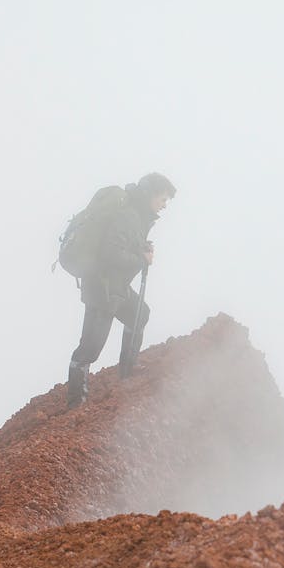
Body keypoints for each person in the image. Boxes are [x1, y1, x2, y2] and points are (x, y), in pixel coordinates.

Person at [66, 172, 176, 408]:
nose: (165, 205)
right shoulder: (129, 216)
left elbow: (123, 245)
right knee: (90, 348)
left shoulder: (138, 216)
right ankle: (76, 403)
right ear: (149, 194)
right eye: (163, 198)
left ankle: (128, 370)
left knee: (140, 314)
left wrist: (140, 248)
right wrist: (141, 258)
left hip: (116, 288)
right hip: (102, 289)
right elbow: (110, 254)